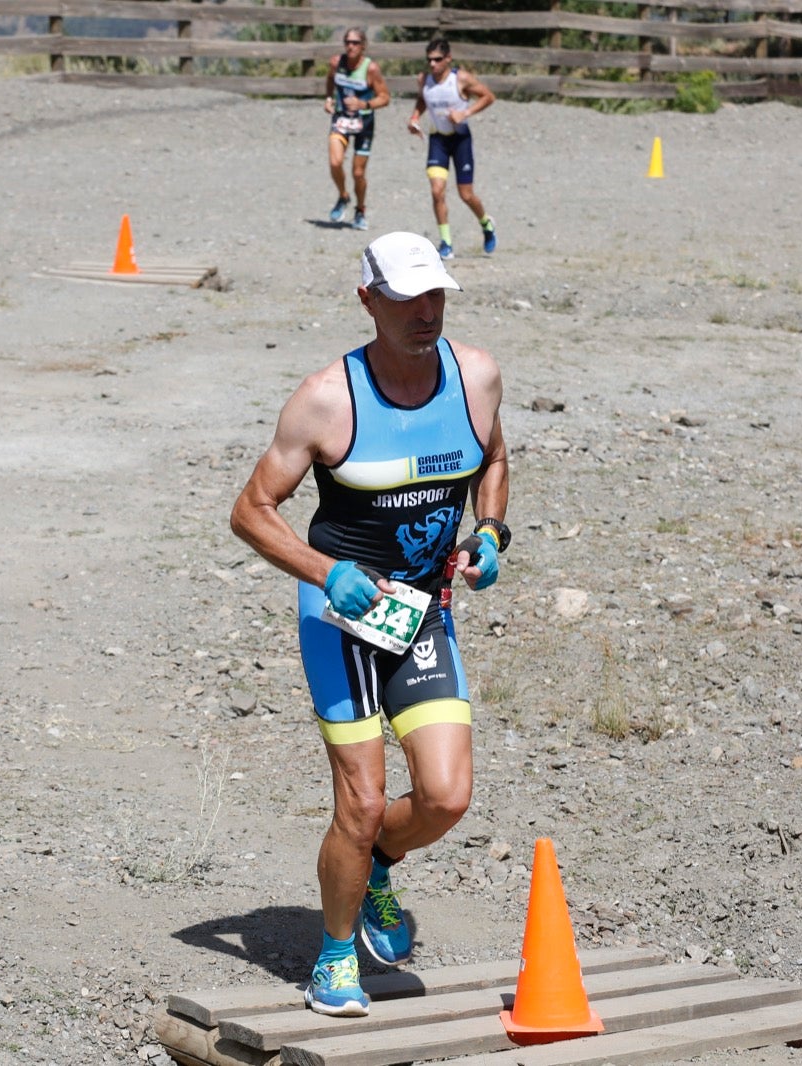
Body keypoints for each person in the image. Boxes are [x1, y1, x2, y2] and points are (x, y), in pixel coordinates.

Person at [230, 230, 510, 1017]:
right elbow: (250, 512)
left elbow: (493, 458)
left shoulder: (475, 375)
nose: (426, 311)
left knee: (447, 797)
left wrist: (489, 535)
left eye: (436, 295)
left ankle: (380, 859)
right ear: (367, 300)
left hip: (422, 615)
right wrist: (328, 573)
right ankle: (333, 957)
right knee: (358, 799)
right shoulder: (327, 399)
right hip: (340, 618)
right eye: (406, 297)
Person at [408, 38, 496, 260]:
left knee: (465, 194)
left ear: (448, 59)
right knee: (437, 191)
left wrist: (465, 113)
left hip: (460, 140)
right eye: (429, 60)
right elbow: (422, 100)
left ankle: (486, 224)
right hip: (438, 140)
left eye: (437, 59)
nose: (432, 64)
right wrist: (415, 117)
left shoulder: (461, 79)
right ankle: (446, 243)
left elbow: (488, 97)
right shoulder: (424, 79)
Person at [324, 28, 391, 232]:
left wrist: (364, 105)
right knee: (335, 162)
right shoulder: (336, 63)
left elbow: (385, 97)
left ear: (363, 46)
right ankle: (343, 196)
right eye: (347, 42)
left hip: (364, 125)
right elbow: (330, 81)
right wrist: (329, 99)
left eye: (354, 42)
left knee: (358, 172)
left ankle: (360, 210)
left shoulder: (371, 69)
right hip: (342, 120)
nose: (350, 46)